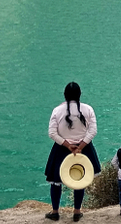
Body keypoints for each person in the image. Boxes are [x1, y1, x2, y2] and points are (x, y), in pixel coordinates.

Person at [45, 82, 100, 222]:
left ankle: (55, 211)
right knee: (80, 179)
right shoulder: (88, 109)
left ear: (65, 95)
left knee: (55, 182)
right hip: (84, 149)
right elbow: (93, 131)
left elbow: (52, 133)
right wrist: (80, 146)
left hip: (62, 149)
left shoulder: (57, 111)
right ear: (80, 94)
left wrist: (68, 145)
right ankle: (76, 212)